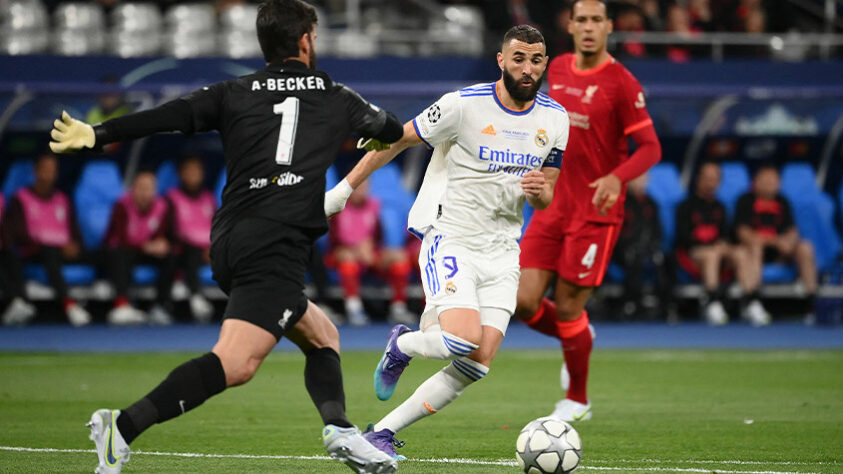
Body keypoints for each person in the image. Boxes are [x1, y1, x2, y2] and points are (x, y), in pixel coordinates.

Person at [48, 1, 402, 472]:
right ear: (306, 40)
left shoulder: (233, 91)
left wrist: (97, 133)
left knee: (322, 335)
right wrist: (373, 134)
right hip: (275, 245)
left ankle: (340, 430)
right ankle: (122, 426)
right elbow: (392, 128)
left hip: (231, 239)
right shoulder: (337, 96)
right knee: (236, 364)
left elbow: (168, 115)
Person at [325, 25, 568, 459]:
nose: (527, 68)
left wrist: (540, 192)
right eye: (518, 59)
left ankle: (379, 432)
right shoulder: (463, 105)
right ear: (501, 60)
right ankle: (401, 343)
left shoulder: (555, 119)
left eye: (536, 60)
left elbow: (548, 194)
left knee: (477, 363)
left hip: (504, 251)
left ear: (544, 62)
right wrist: (343, 190)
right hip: (451, 239)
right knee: (459, 340)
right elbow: (398, 138)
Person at [513, 0, 662, 423]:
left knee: (566, 307)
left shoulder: (622, 82)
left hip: (596, 212)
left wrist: (618, 178)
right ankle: (578, 338)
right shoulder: (556, 68)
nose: (590, 27)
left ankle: (577, 399)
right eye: (583, 19)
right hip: (552, 205)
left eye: (598, 20)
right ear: (571, 25)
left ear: (609, 27)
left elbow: (651, 147)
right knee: (521, 302)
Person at [1, 153, 92, 326]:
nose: (49, 174)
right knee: (47, 253)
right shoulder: (20, 198)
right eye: (45, 170)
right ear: (36, 172)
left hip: (63, 251)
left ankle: (123, 304)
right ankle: (69, 305)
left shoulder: (62, 199)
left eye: (53, 170)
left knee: (111, 253)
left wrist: (75, 244)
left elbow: (75, 231)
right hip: (34, 251)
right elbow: (18, 234)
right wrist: (54, 244)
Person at [675, 161, 757, 325]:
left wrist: (724, 245)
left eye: (715, 179)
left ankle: (750, 301)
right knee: (712, 254)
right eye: (707, 178)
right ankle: (712, 301)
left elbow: (726, 235)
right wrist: (712, 245)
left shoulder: (721, 207)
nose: (711, 183)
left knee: (740, 252)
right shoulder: (685, 206)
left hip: (719, 254)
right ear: (698, 179)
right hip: (693, 254)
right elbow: (683, 238)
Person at [733, 165, 815, 326]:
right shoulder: (745, 200)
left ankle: (810, 304)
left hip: (780, 253)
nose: (771, 184)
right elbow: (743, 233)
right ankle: (752, 301)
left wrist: (788, 242)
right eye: (767, 180)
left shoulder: (782, 201)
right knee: (755, 246)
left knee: (805, 247)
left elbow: (792, 230)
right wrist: (774, 241)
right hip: (754, 252)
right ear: (755, 182)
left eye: (775, 180)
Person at [329, 179, 414, 326]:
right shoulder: (339, 208)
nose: (361, 191)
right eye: (358, 187)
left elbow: (377, 237)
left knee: (399, 259)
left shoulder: (374, 206)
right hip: (345, 254)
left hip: (370, 254)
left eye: (365, 187)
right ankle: (354, 309)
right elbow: (335, 242)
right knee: (347, 261)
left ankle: (398, 308)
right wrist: (357, 251)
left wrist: (371, 249)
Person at [103, 169, 175, 326]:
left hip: (146, 252)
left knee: (170, 257)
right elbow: (120, 239)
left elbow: (165, 235)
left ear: (155, 190)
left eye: (149, 188)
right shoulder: (122, 205)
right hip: (123, 251)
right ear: (133, 188)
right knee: (119, 254)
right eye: (141, 187)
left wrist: (162, 244)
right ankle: (122, 304)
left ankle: (160, 306)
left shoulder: (162, 206)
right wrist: (146, 246)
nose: (145, 192)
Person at [612, 173, 671, 320]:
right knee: (634, 258)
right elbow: (615, 232)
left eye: (643, 178)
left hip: (647, 249)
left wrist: (654, 245)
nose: (640, 182)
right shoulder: (620, 202)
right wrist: (627, 246)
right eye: (636, 178)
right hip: (623, 250)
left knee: (667, 260)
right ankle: (632, 303)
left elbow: (657, 230)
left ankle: (666, 305)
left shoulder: (652, 203)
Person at [166, 154, 216, 323]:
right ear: (181, 174)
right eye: (189, 171)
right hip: (185, 251)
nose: (193, 175)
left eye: (197, 171)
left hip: (210, 252)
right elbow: (175, 232)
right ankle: (195, 296)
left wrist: (213, 248)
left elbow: (217, 228)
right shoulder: (172, 198)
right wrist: (203, 247)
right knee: (191, 252)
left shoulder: (208, 198)